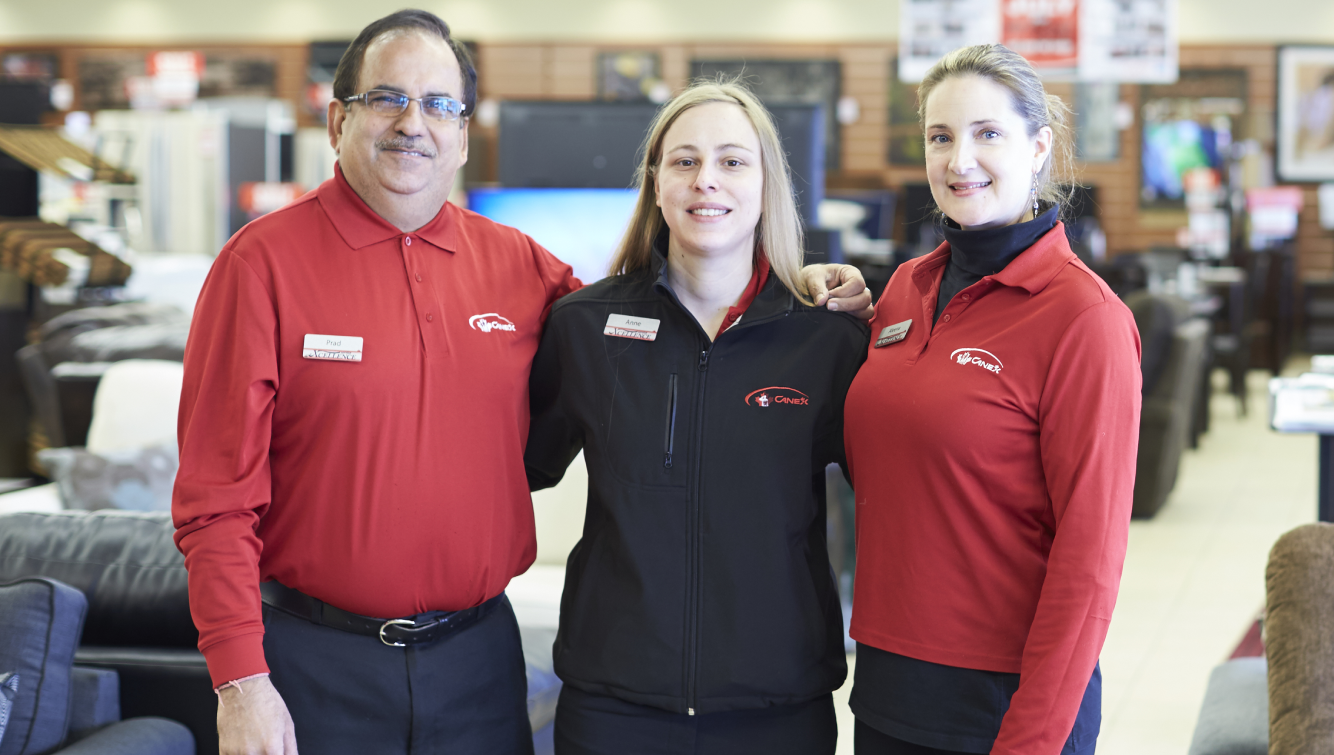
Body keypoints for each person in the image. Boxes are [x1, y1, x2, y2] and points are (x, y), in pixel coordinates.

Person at [171, 10, 874, 755]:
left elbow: (654, 317)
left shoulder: (520, 268)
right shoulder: (259, 266)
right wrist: (239, 679)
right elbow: (214, 500)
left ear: (464, 133)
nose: (415, 123)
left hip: (478, 662)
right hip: (315, 660)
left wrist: (816, 291)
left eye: (440, 104)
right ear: (338, 117)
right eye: (388, 98)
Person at [523, 80, 869, 755]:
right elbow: (511, 466)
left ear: (767, 183)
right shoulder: (583, 328)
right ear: (655, 184)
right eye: (684, 161)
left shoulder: (828, 341)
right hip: (614, 703)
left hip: (776, 704)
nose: (706, 180)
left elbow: (902, 498)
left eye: (733, 161)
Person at [843, 44, 1142, 755]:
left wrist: (1034, 736)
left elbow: (1090, 562)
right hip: (886, 685)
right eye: (940, 137)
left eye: (987, 134)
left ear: (1039, 148)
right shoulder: (903, 291)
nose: (958, 160)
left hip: (1004, 704)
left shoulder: (1085, 320)